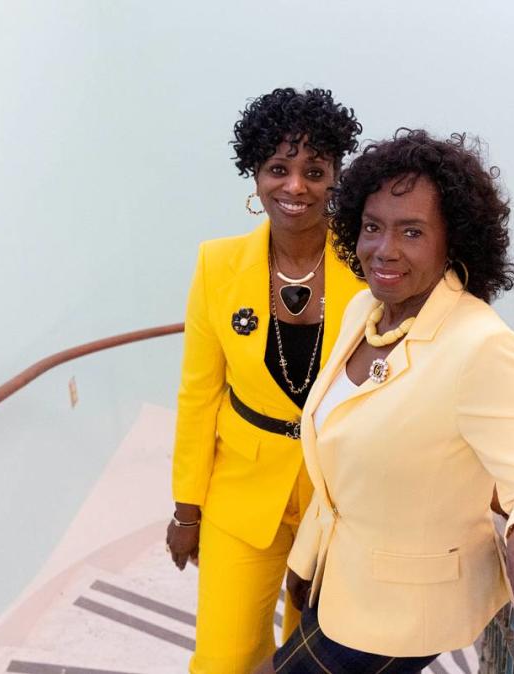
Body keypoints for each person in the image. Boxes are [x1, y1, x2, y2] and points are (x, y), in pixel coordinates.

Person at [260, 129, 514, 673]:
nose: (383, 250)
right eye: (372, 228)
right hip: (339, 578)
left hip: (404, 611)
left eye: (411, 232)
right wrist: (308, 559)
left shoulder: (480, 346)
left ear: (453, 242)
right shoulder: (360, 314)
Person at [167, 87, 367, 673]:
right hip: (242, 489)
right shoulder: (216, 265)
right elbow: (198, 395)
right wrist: (186, 509)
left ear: (336, 177)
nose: (296, 186)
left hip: (341, 498)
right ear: (255, 176)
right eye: (278, 169)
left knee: (312, 656)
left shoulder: (370, 265)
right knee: (223, 658)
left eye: (314, 170)